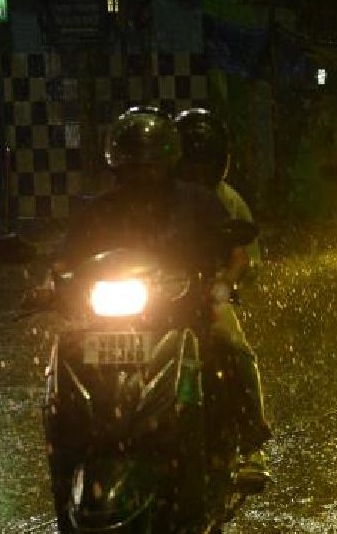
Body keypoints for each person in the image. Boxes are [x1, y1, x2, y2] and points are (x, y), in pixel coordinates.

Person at [56, 106, 271, 462]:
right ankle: (71, 452)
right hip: (117, 314)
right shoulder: (100, 210)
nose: (143, 173)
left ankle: (251, 442)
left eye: (151, 164)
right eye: (134, 165)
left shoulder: (198, 202)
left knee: (228, 342)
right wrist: (52, 284)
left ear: (168, 162)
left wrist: (222, 284)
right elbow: (67, 258)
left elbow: (237, 255)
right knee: (68, 352)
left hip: (188, 305)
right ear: (118, 165)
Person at [174, 107, 261, 269]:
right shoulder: (161, 194)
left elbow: (248, 264)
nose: (199, 173)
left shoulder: (231, 202)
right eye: (191, 164)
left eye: (205, 165)